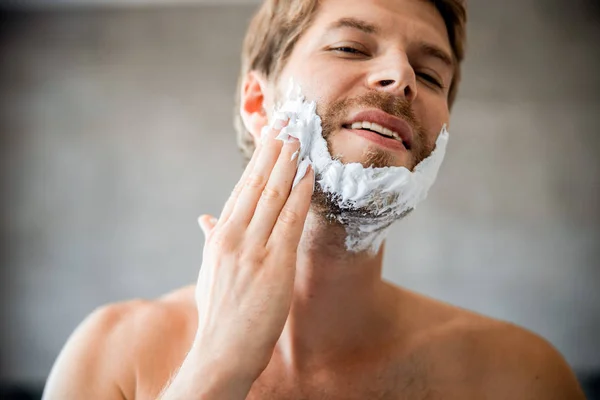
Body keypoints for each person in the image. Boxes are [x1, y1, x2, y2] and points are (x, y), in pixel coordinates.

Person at [43, 0, 586, 399]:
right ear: (258, 102)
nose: (402, 80)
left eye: (430, 74)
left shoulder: (522, 377)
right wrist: (215, 367)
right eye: (350, 46)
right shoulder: (109, 355)